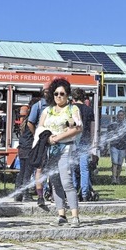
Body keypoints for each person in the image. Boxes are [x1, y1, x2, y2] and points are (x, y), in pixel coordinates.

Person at [38, 78, 83, 227]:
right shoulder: (48, 110)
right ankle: (61, 214)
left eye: (62, 93)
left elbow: (78, 127)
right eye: (56, 93)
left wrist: (58, 138)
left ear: (67, 95)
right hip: (50, 150)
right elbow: (40, 127)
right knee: (55, 182)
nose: (59, 96)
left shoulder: (72, 109)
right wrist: (48, 138)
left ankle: (75, 216)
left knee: (66, 181)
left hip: (66, 148)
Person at [71, 88, 96, 201]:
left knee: (72, 168)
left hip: (73, 142)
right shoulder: (89, 110)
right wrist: (91, 143)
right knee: (84, 169)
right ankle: (85, 194)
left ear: (73, 98)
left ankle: (74, 191)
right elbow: (92, 128)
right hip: (85, 142)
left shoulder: (71, 109)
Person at [27, 87, 50, 206]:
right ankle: (40, 196)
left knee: (54, 168)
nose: (48, 93)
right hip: (41, 142)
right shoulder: (38, 105)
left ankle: (52, 193)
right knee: (39, 169)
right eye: (46, 91)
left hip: (54, 141)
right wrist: (37, 134)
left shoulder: (57, 106)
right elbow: (30, 122)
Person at [15, 100, 36, 202]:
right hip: (28, 149)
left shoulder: (25, 120)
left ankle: (18, 194)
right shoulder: (32, 121)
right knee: (27, 172)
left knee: (22, 172)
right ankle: (26, 195)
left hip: (22, 148)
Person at [108, 110, 126, 184]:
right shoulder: (113, 125)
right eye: (119, 115)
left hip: (122, 147)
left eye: (122, 115)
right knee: (115, 163)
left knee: (120, 164)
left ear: (124, 116)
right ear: (117, 116)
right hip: (114, 146)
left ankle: (118, 177)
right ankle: (113, 178)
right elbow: (109, 135)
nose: (120, 116)